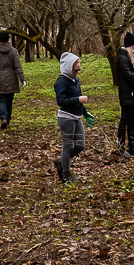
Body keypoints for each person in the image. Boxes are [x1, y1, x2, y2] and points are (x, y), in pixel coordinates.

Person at [53, 52, 89, 183]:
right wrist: (77, 99)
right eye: (75, 69)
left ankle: (61, 161)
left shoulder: (76, 79)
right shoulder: (61, 81)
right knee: (67, 147)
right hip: (66, 117)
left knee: (80, 145)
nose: (78, 71)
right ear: (69, 67)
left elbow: (78, 100)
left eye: (79, 69)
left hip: (77, 116)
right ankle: (66, 175)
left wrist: (85, 113)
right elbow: (61, 100)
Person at [0, 32, 25, 129]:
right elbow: (18, 66)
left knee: (2, 99)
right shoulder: (14, 51)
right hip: (11, 78)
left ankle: (3, 118)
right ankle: (8, 119)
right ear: (8, 39)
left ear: (0, 40)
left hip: (0, 77)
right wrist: (22, 79)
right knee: (9, 100)